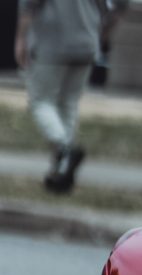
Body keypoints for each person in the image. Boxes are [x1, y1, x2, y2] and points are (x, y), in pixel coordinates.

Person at [14, 0, 124, 193]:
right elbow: (111, 10)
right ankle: (62, 171)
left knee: (41, 101)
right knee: (69, 103)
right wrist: (99, 36)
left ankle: (64, 149)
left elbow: (30, 6)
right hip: (86, 43)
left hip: (52, 43)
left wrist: (21, 38)